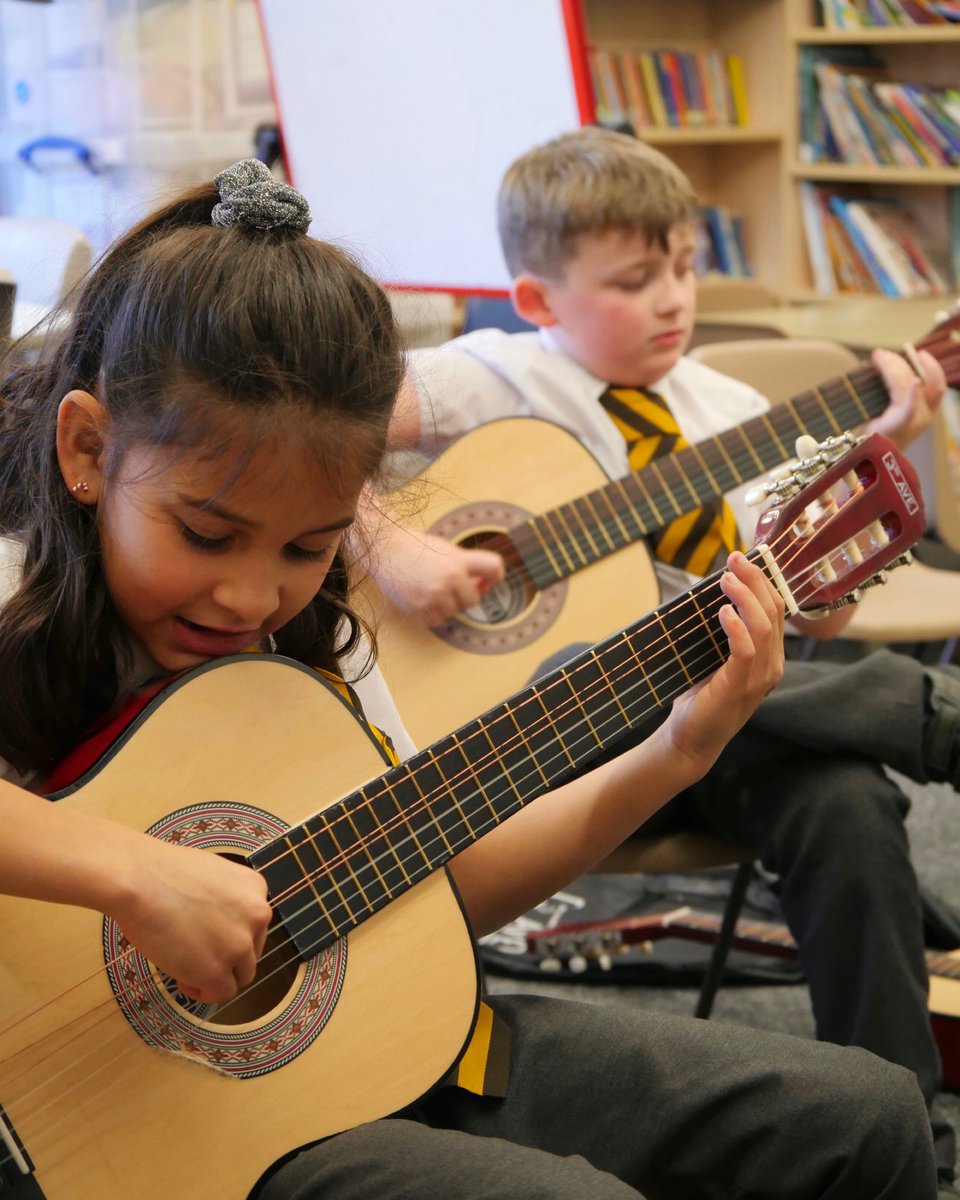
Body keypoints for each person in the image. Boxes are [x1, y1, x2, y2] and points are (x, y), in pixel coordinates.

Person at [0, 158, 938, 1200]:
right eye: (208, 534)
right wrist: (134, 874)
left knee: (868, 1118)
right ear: (87, 447)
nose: (250, 596)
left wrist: (678, 752)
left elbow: (445, 892)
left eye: (307, 548)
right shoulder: (12, 592)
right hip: (152, 1138)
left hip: (367, 1048)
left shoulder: (318, 644)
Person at [361, 127, 960, 1195]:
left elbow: (804, 619)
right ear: (541, 300)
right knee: (605, 666)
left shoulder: (732, 416)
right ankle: (932, 716)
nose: (676, 300)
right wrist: (394, 548)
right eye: (636, 280)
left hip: (719, 724)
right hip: (535, 735)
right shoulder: (489, 378)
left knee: (846, 799)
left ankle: (900, 1131)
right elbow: (314, 433)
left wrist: (889, 454)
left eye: (684, 266)